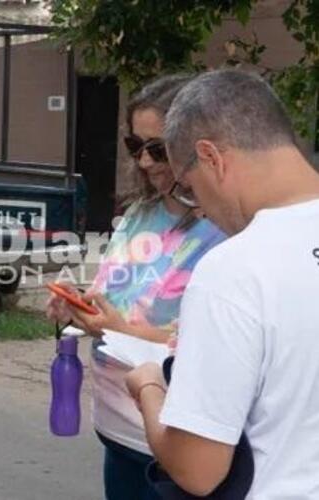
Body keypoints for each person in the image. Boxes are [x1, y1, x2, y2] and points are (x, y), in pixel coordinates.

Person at [125, 69, 319, 498]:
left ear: (212, 158)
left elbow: (198, 469)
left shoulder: (234, 271)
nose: (202, 210)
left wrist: (149, 386)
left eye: (190, 189)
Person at [47, 75, 225, 500]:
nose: (144, 162)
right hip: (116, 428)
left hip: (172, 440)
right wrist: (80, 304)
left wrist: (114, 328)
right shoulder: (139, 212)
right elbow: (123, 293)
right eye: (135, 146)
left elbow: (214, 342)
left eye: (158, 148)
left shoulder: (223, 225)